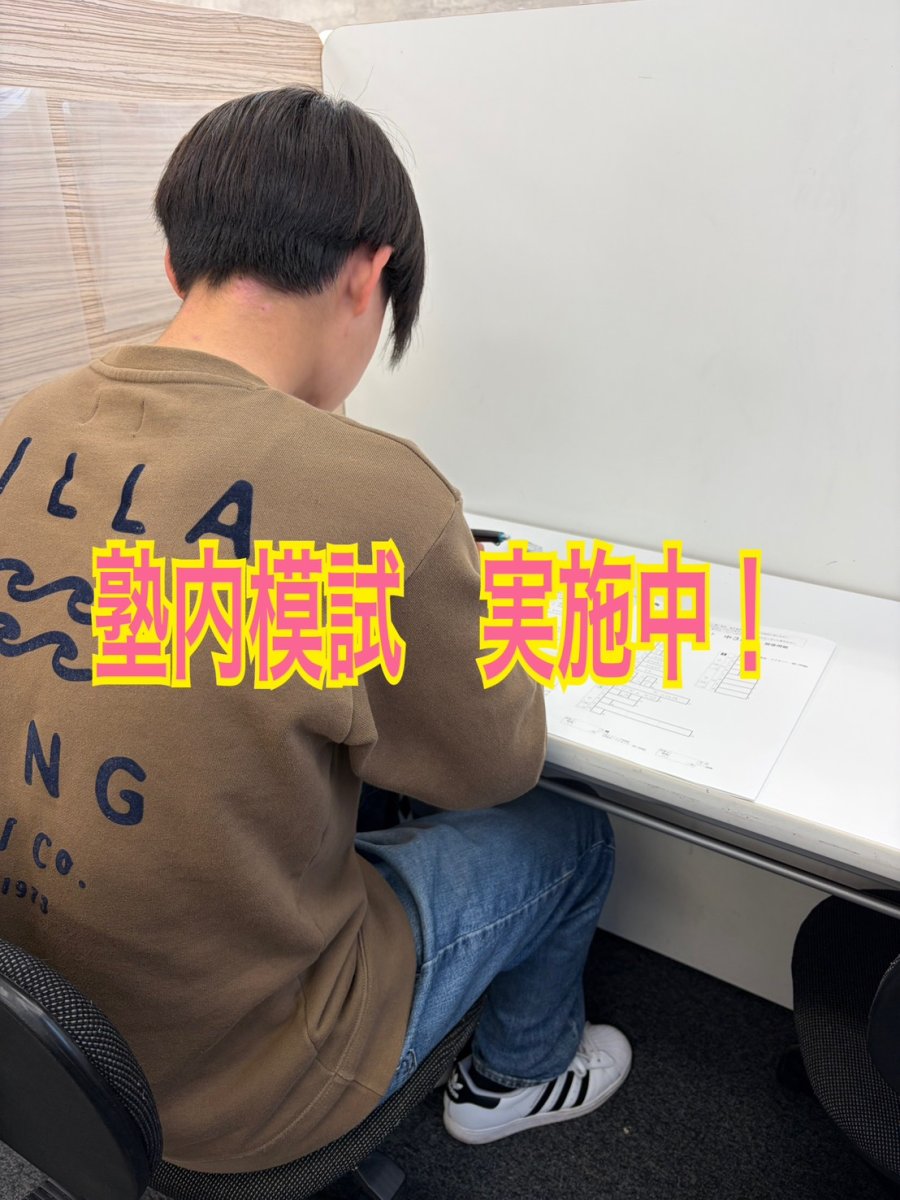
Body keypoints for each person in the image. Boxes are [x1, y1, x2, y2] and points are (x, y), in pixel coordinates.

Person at [0, 86, 629, 1172]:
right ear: (369, 276)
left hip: (45, 1034)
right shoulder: (377, 495)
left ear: (175, 266)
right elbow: (498, 766)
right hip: (241, 1090)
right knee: (570, 837)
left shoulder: (22, 425)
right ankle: (517, 1075)